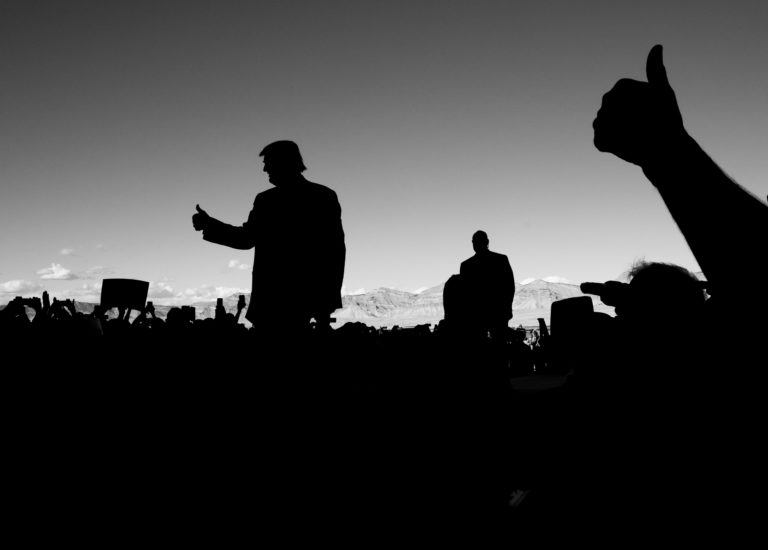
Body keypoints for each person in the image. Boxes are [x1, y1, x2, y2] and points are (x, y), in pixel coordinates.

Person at [192, 140, 346, 334]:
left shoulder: (269, 200)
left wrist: (210, 225)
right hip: (296, 302)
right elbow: (336, 251)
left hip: (276, 302)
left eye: (268, 163)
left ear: (284, 162)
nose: (265, 169)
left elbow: (333, 250)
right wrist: (210, 224)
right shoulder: (322, 196)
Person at [459, 230, 515, 341]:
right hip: (495, 314)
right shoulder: (500, 260)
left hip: (479, 315)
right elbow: (509, 287)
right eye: (475, 242)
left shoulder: (467, 266)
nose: (476, 244)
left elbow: (464, 294)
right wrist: (506, 310)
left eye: (477, 241)